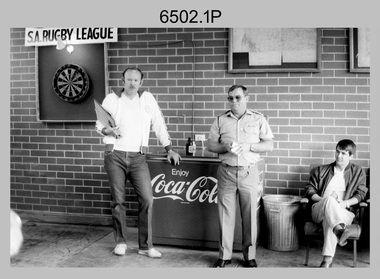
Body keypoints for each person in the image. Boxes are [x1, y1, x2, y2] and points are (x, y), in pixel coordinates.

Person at [96, 67, 181, 258]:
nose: (132, 83)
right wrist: (108, 131)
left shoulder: (147, 99)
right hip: (114, 154)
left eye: (136, 80)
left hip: (138, 157)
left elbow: (159, 124)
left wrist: (169, 148)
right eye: (128, 79)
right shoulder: (111, 99)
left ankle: (145, 246)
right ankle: (121, 242)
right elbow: (99, 124)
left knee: (147, 199)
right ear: (123, 80)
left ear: (141, 82)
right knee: (118, 201)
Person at [206, 85, 274, 268]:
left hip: (249, 172)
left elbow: (269, 145)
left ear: (246, 98)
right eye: (230, 98)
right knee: (225, 215)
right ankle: (224, 256)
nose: (234, 101)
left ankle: (249, 256)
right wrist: (224, 147)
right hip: (226, 171)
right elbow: (210, 145)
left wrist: (250, 147)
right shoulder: (220, 120)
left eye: (238, 97)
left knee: (250, 215)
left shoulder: (258, 119)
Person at [304, 139, 368, 268]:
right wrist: (326, 201)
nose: (339, 156)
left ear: (351, 156)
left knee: (331, 220)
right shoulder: (321, 170)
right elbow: (309, 190)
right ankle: (339, 232)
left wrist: (344, 204)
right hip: (319, 208)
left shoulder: (358, 172)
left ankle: (327, 260)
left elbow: (361, 194)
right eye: (337, 152)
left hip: (344, 211)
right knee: (330, 202)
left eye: (344, 153)